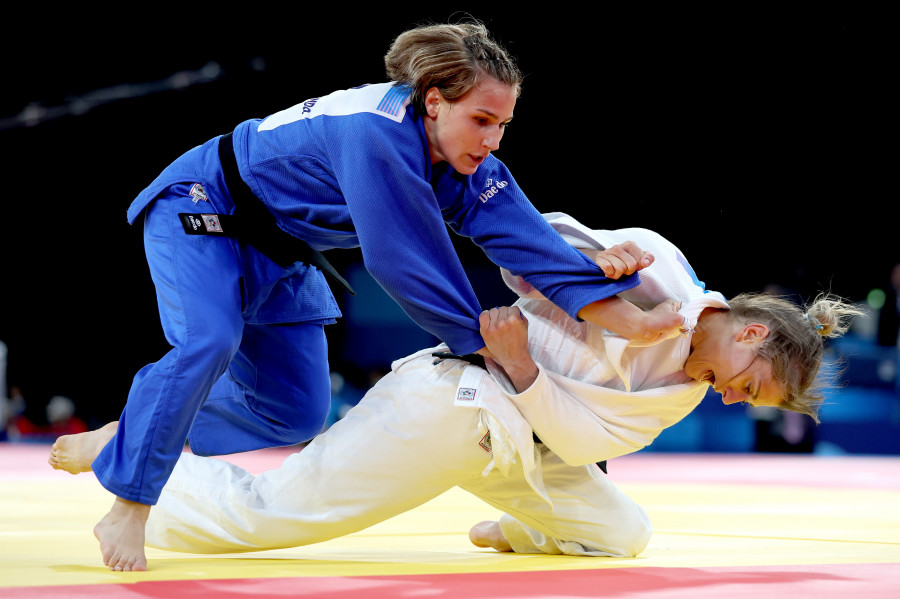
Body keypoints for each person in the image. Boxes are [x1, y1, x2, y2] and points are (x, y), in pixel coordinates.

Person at [48, 22, 662, 571]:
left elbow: (529, 243)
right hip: (206, 207)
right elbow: (403, 261)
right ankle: (131, 500)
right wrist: (484, 347)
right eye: (481, 120)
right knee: (210, 340)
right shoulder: (376, 134)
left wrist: (629, 312)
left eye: (503, 124)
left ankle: (125, 436)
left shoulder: (464, 160)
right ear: (433, 101)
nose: (494, 140)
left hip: (281, 249)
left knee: (293, 411)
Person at [52, 213, 861, 570]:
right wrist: (592, 261)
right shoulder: (659, 262)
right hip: (454, 406)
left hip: (524, 426)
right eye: (745, 385)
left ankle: (517, 527)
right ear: (751, 333)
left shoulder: (683, 390)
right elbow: (527, 246)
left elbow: (584, 444)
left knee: (624, 530)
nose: (727, 399)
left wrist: (528, 370)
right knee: (272, 515)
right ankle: (130, 456)